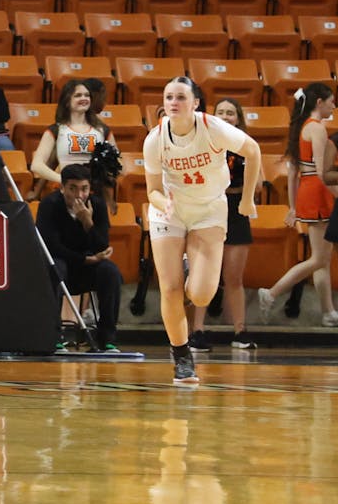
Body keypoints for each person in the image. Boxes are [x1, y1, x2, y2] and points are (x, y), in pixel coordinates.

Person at [144, 77, 261, 383]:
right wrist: (163, 203)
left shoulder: (213, 128)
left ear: (194, 103)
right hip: (170, 211)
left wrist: (247, 200)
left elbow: (253, 150)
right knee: (170, 288)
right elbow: (152, 190)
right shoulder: (155, 138)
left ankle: (189, 270)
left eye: (180, 97)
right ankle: (181, 357)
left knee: (200, 294)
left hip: (209, 210)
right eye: (168, 96)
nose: (173, 102)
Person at [258, 83, 338, 327]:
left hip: (308, 190)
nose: (334, 105)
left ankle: (328, 312)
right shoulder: (317, 129)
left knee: (322, 258)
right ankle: (271, 292)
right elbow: (324, 173)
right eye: (331, 100)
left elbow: (293, 173)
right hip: (318, 191)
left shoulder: (301, 128)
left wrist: (294, 207)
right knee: (318, 259)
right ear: (319, 103)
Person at [187, 98, 258, 351]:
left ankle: (240, 331)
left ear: (238, 118)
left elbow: (258, 183)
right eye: (221, 112)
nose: (226, 116)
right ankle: (196, 331)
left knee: (234, 277)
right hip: (208, 206)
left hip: (237, 209)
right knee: (204, 274)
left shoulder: (246, 146)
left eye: (231, 113)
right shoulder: (202, 140)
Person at [36, 164, 122, 352]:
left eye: (84, 189)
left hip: (87, 269)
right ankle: (53, 337)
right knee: (54, 268)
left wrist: (87, 222)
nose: (79, 195)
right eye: (72, 188)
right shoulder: (49, 205)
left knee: (110, 272)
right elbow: (51, 247)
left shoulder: (97, 205)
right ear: (62, 188)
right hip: (62, 264)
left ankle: (107, 339)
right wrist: (84, 260)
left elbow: (102, 246)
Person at [29, 80, 116, 202]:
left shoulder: (103, 131)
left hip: (95, 195)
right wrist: (62, 179)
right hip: (65, 195)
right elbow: (36, 165)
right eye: (78, 95)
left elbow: (117, 165)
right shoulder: (56, 130)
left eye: (86, 95)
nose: (84, 98)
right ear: (67, 101)